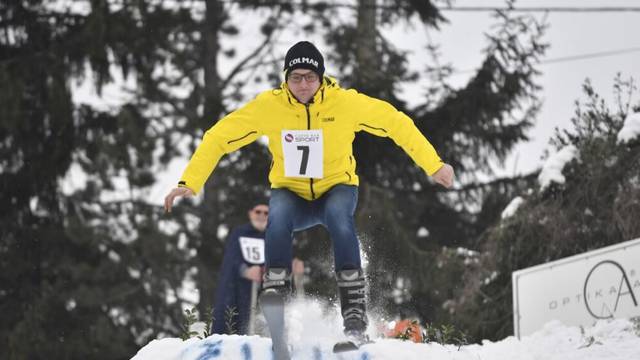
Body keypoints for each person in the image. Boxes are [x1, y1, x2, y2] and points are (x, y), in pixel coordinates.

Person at [164, 41, 454, 343]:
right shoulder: (269, 106)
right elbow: (220, 136)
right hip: (291, 192)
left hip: (336, 189)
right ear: (285, 79)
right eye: (296, 77)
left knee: (341, 222)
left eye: (310, 77)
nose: (303, 85)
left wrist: (433, 165)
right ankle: (275, 295)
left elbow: (395, 123)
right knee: (278, 220)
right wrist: (189, 181)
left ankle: (354, 316)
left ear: (322, 78)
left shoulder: (345, 103)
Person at [211, 202, 304, 335]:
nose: (262, 216)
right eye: (258, 212)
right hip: (237, 290)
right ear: (251, 213)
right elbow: (231, 258)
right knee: (232, 327)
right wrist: (245, 270)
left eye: (266, 213)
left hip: (264, 292)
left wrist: (293, 266)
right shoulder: (239, 233)